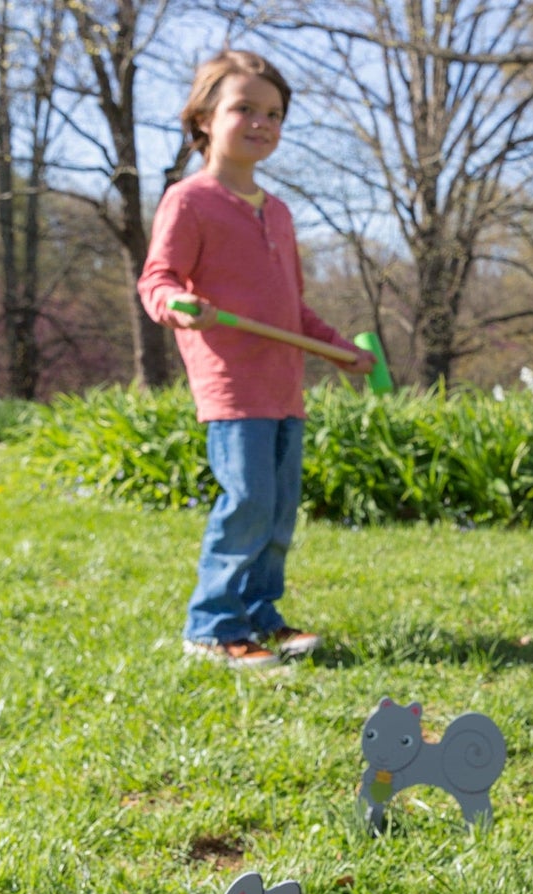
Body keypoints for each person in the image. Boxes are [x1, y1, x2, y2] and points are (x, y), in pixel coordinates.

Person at [138, 50, 374, 669]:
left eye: (274, 113)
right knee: (245, 502)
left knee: (276, 511)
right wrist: (177, 304)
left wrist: (341, 349)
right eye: (244, 107)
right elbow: (156, 280)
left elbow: (293, 309)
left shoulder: (280, 212)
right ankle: (211, 626)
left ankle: (261, 615)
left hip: (283, 387)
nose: (261, 122)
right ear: (204, 118)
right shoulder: (189, 201)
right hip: (231, 384)